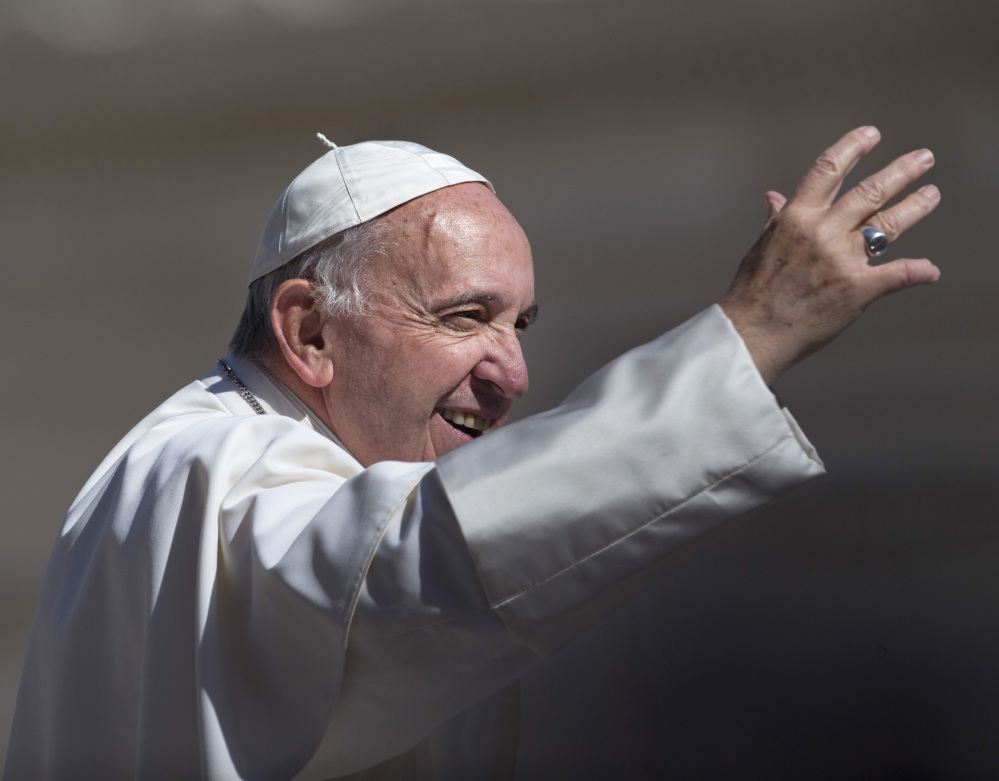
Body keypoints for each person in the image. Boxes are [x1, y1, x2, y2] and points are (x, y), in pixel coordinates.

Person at [4, 127, 940, 780]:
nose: (514, 373)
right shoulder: (211, 471)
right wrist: (752, 333)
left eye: (518, 323)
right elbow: (411, 568)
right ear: (310, 332)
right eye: (464, 317)